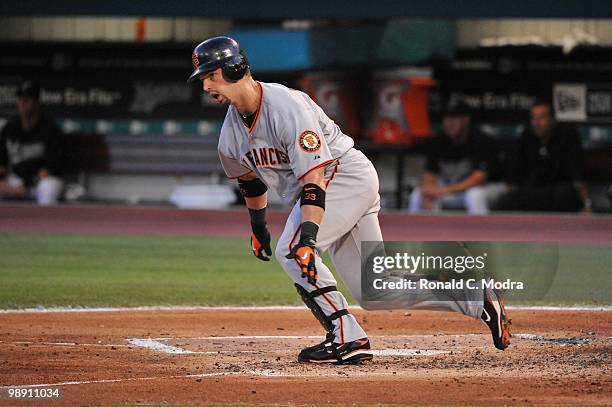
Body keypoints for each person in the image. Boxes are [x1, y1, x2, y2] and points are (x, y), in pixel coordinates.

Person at [188, 36, 511, 364]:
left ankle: (345, 336)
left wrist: (309, 239)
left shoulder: (285, 106)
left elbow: (315, 177)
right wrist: (259, 229)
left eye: (211, 76)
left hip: (343, 176)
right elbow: (250, 182)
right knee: (375, 289)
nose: (206, 86)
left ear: (235, 68)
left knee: (293, 250)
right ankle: (476, 298)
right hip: (330, 188)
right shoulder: (230, 135)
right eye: (203, 79)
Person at [496, 100, 590, 212]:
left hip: (559, 192)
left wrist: (587, 205)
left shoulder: (568, 137)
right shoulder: (526, 137)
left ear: (552, 120)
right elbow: (513, 178)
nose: (537, 123)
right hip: (533, 192)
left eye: (542, 118)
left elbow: (578, 178)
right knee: (505, 201)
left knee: (565, 195)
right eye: (534, 118)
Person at [409, 103, 503, 215]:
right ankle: (427, 232)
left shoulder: (481, 140)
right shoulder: (438, 141)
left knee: (475, 195)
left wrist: (442, 190)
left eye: (454, 118)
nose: (450, 123)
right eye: (446, 118)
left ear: (466, 120)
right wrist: (429, 188)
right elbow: (429, 173)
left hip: (482, 189)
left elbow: (478, 179)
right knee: (418, 194)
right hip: (450, 189)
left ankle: (481, 232)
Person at [0, 81, 64, 205]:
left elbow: (52, 166)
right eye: (20, 99)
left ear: (37, 102)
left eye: (27, 99)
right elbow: (1, 161)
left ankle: (46, 224)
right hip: (16, 180)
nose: (23, 103)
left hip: (40, 181)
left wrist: (26, 186)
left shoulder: (49, 128)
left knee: (47, 188)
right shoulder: (10, 128)